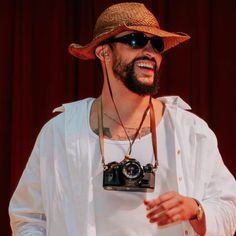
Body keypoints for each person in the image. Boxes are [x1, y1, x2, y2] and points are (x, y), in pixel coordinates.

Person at [9, 2, 236, 236]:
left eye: (156, 44)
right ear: (103, 52)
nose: (150, 52)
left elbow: (230, 208)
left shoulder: (191, 131)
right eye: (135, 40)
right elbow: (28, 216)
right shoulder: (60, 132)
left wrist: (196, 210)